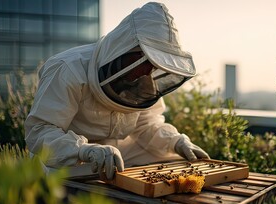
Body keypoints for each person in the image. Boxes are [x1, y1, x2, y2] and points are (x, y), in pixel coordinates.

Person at [24, 2, 209, 180]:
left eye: (154, 64)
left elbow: (147, 125)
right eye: (144, 60)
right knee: (58, 175)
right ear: (123, 49)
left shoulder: (144, 80)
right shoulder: (68, 69)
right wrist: (84, 150)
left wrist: (176, 141)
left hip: (118, 151)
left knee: (176, 163)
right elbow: (40, 131)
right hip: (70, 155)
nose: (147, 72)